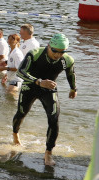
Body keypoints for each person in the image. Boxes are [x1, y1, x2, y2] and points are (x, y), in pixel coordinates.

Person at [12, 33, 77, 166]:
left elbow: (71, 74)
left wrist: (73, 89)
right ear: (48, 46)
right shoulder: (35, 53)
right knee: (22, 113)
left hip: (49, 89)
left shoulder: (67, 60)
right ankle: (15, 135)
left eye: (62, 52)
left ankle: (48, 153)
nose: (58, 55)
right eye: (55, 51)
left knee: (54, 118)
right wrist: (39, 82)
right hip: (30, 87)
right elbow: (20, 72)